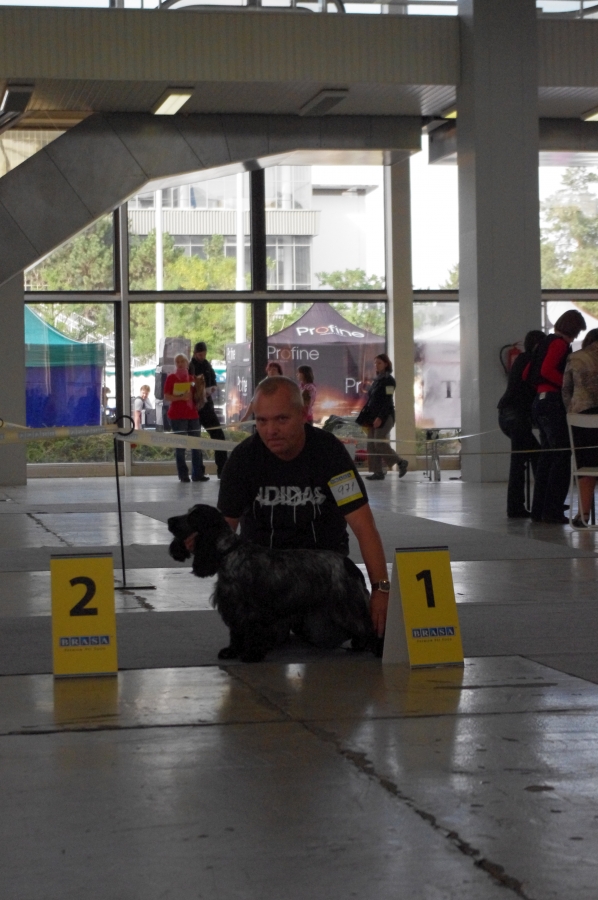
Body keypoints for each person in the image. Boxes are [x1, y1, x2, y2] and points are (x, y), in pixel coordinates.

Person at [216, 376, 390, 642]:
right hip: (265, 577)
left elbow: (363, 526)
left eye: (281, 419)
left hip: (321, 575)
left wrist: (381, 590)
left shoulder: (330, 453)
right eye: (262, 421)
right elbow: (224, 533)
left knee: (326, 635)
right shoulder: (242, 459)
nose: (271, 430)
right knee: (261, 639)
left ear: (302, 414)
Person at [528, 309, 586, 524]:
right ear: (574, 329)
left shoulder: (544, 342)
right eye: (578, 331)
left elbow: (529, 373)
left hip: (540, 401)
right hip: (552, 402)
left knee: (547, 457)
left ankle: (539, 510)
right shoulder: (559, 344)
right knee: (561, 457)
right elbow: (546, 370)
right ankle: (552, 510)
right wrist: (567, 383)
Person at [497, 331, 544, 518]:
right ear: (538, 345)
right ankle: (531, 504)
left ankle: (521, 505)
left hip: (508, 414)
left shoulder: (522, 359)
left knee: (524, 458)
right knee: (527, 458)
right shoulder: (532, 360)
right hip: (516, 416)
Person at [562, 327, 598, 527]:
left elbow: (566, 390)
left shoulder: (575, 357)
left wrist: (571, 411)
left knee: (584, 465)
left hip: (581, 418)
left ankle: (583, 514)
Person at [356, 353, 408, 481]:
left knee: (378, 443)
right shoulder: (377, 380)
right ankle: (377, 472)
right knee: (371, 444)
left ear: (386, 364)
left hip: (385, 416)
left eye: (379, 363)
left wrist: (380, 417)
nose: (376, 365)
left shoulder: (389, 380)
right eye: (375, 363)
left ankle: (400, 462)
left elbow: (387, 401)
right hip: (372, 417)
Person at [164, 353, 209, 484]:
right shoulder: (171, 378)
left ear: (187, 363)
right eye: (177, 362)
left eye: (182, 361)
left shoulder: (192, 379)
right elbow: (166, 396)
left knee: (196, 445)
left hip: (192, 414)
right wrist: (180, 398)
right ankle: (183, 475)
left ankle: (197, 474)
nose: (180, 364)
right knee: (180, 446)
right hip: (177, 416)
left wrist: (201, 390)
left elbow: (197, 397)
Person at [188, 342, 227, 478]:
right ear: (194, 353)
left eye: (204, 354)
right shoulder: (190, 366)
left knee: (219, 436)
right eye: (200, 354)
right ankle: (198, 472)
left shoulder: (207, 365)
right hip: (194, 407)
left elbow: (213, 380)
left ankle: (222, 469)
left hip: (207, 406)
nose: (202, 357)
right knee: (196, 440)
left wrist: (212, 388)